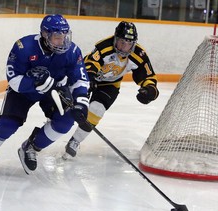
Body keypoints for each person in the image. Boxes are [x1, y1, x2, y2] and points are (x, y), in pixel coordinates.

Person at [0, 14, 90, 174]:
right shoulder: (24, 47)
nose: (63, 41)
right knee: (6, 125)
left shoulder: (72, 51)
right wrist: (36, 84)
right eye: (57, 37)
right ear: (45, 35)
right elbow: (14, 79)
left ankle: (31, 147)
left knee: (65, 121)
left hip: (55, 91)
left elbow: (80, 78)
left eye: (65, 35)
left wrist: (81, 101)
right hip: (24, 92)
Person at [63, 21, 159, 158]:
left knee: (96, 110)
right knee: (70, 106)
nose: (125, 47)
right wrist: (90, 78)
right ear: (115, 39)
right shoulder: (104, 46)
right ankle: (53, 123)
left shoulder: (139, 54)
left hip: (110, 85)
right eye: (122, 42)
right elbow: (91, 63)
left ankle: (75, 141)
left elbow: (149, 76)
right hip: (86, 78)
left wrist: (149, 90)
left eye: (129, 43)